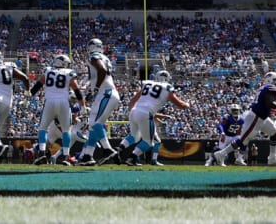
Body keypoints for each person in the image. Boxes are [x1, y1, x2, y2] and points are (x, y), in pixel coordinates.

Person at [117, 69, 188, 167]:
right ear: (167, 79)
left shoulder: (147, 84)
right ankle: (132, 158)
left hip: (134, 111)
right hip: (146, 114)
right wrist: (186, 105)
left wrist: (131, 112)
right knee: (148, 142)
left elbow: (133, 101)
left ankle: (119, 149)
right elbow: (179, 103)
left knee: (134, 136)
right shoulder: (167, 87)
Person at [214, 73, 276, 166]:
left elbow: (266, 103)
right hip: (256, 117)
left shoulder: (264, 87)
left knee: (275, 133)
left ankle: (272, 157)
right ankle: (221, 154)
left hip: (262, 117)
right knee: (243, 140)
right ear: (269, 80)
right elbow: (269, 103)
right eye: (275, 80)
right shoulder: (269, 87)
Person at [73, 38, 122, 166]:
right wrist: (91, 91)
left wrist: (95, 89)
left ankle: (107, 149)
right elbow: (98, 75)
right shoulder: (105, 57)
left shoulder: (95, 57)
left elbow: (102, 70)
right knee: (93, 125)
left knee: (94, 123)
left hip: (106, 93)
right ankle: (88, 156)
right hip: (108, 93)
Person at [30, 53, 83, 165]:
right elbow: (76, 89)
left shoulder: (48, 70)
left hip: (49, 101)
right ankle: (65, 157)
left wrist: (30, 94)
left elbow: (38, 84)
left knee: (43, 128)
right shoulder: (69, 72)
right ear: (63, 63)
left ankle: (42, 154)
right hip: (64, 102)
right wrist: (82, 103)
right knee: (66, 130)